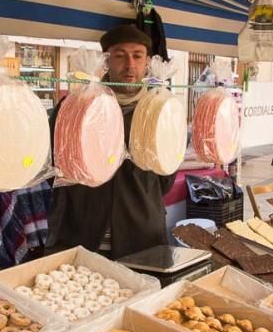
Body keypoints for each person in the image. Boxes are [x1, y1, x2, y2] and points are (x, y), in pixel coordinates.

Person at [45, 25, 177, 259]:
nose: (130, 65)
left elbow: (166, 176)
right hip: (81, 234)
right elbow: (56, 168)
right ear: (105, 59)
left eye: (137, 56)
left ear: (147, 61)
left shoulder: (157, 111)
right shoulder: (74, 106)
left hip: (141, 236)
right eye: (119, 56)